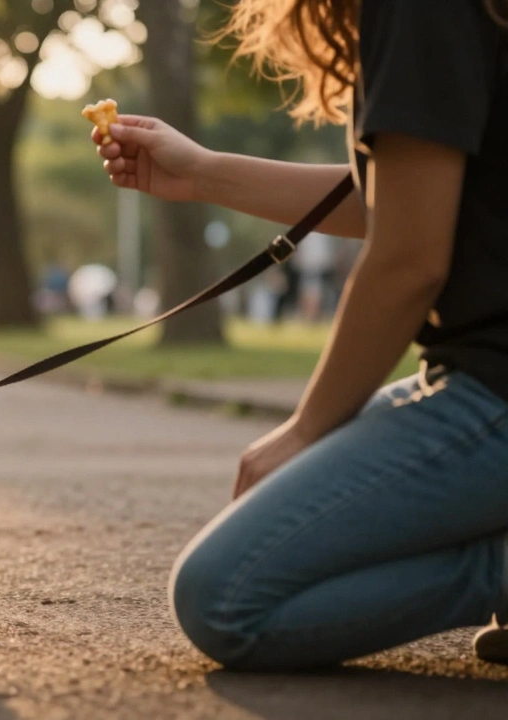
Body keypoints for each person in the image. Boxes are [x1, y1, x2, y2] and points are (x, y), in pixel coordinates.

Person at [94, 0, 508, 670]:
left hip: (494, 388)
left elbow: (409, 259)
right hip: (480, 376)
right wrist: (200, 172)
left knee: (225, 597)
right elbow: (405, 197)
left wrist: (308, 428)